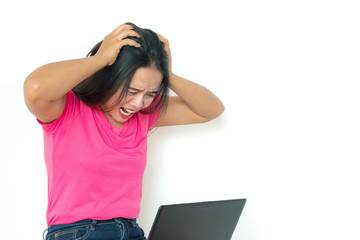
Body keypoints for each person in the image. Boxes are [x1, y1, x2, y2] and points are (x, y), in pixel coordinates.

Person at [24, 22, 224, 240]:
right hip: (78, 233)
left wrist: (167, 75)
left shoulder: (143, 116)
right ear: (110, 77)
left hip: (132, 232)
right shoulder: (67, 109)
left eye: (151, 93)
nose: (139, 103)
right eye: (133, 90)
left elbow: (211, 110)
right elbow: (35, 88)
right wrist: (100, 59)